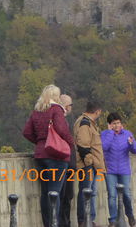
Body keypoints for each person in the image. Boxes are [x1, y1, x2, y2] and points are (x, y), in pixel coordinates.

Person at [23, 84, 75, 227]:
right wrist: (71, 143)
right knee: (55, 193)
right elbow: (62, 130)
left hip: (41, 156)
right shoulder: (56, 110)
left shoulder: (37, 111)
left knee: (45, 193)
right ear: (55, 96)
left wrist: (41, 141)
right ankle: (54, 223)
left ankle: (47, 223)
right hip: (56, 156)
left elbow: (27, 132)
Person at [101, 112, 136, 227]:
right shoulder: (105, 134)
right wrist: (110, 133)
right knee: (112, 195)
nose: (117, 125)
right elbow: (104, 147)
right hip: (110, 171)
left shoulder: (127, 133)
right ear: (109, 124)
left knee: (126, 194)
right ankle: (112, 220)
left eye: (118, 123)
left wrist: (131, 144)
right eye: (114, 123)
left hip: (124, 171)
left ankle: (130, 215)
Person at [74, 100, 105, 227]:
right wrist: (90, 162)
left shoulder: (87, 122)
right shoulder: (85, 123)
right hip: (87, 165)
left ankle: (90, 219)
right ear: (97, 111)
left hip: (91, 164)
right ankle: (84, 220)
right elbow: (83, 145)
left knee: (90, 193)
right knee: (85, 192)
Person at [59, 94, 75, 227]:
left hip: (67, 163)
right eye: (70, 105)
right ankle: (64, 223)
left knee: (67, 196)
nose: (71, 107)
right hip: (66, 163)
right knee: (65, 196)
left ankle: (65, 222)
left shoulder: (62, 121)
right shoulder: (61, 121)